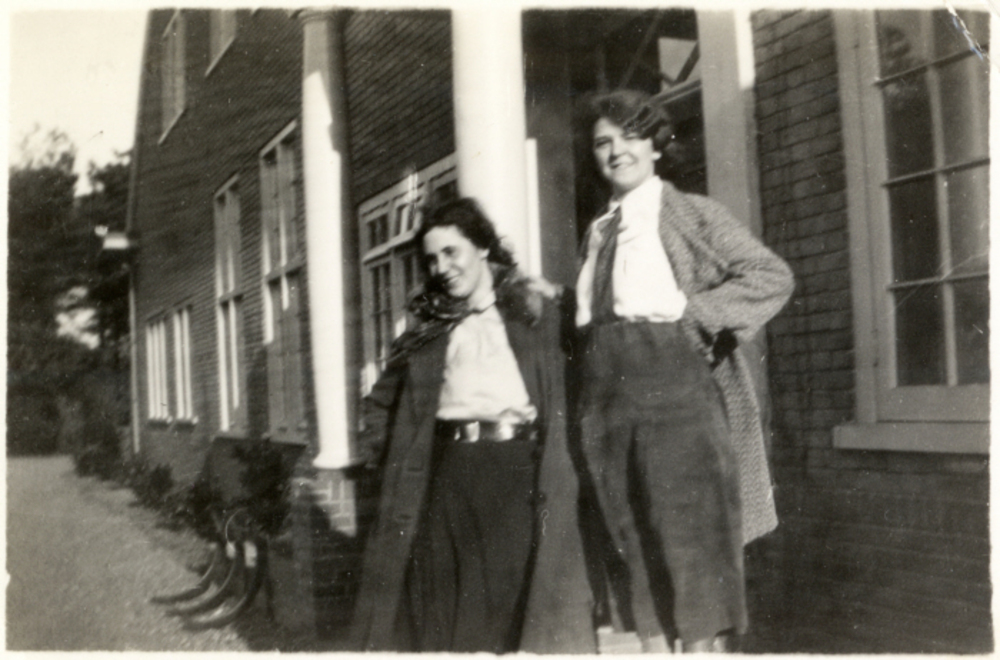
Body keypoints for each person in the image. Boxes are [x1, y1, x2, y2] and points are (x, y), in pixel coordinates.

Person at [573, 89, 794, 652]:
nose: (616, 151)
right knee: (632, 539)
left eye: (630, 136)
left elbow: (769, 275)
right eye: (603, 142)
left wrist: (693, 318)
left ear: (655, 144)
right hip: (608, 398)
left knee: (692, 543)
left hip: (675, 391)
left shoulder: (692, 213)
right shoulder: (598, 230)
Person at [350, 198, 595, 653]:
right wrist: (383, 461)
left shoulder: (532, 312)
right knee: (450, 611)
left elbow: (592, 339)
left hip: (518, 475)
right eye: (431, 259)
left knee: (514, 607)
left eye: (451, 252)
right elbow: (380, 402)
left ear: (482, 247)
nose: (441, 268)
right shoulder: (430, 328)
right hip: (449, 476)